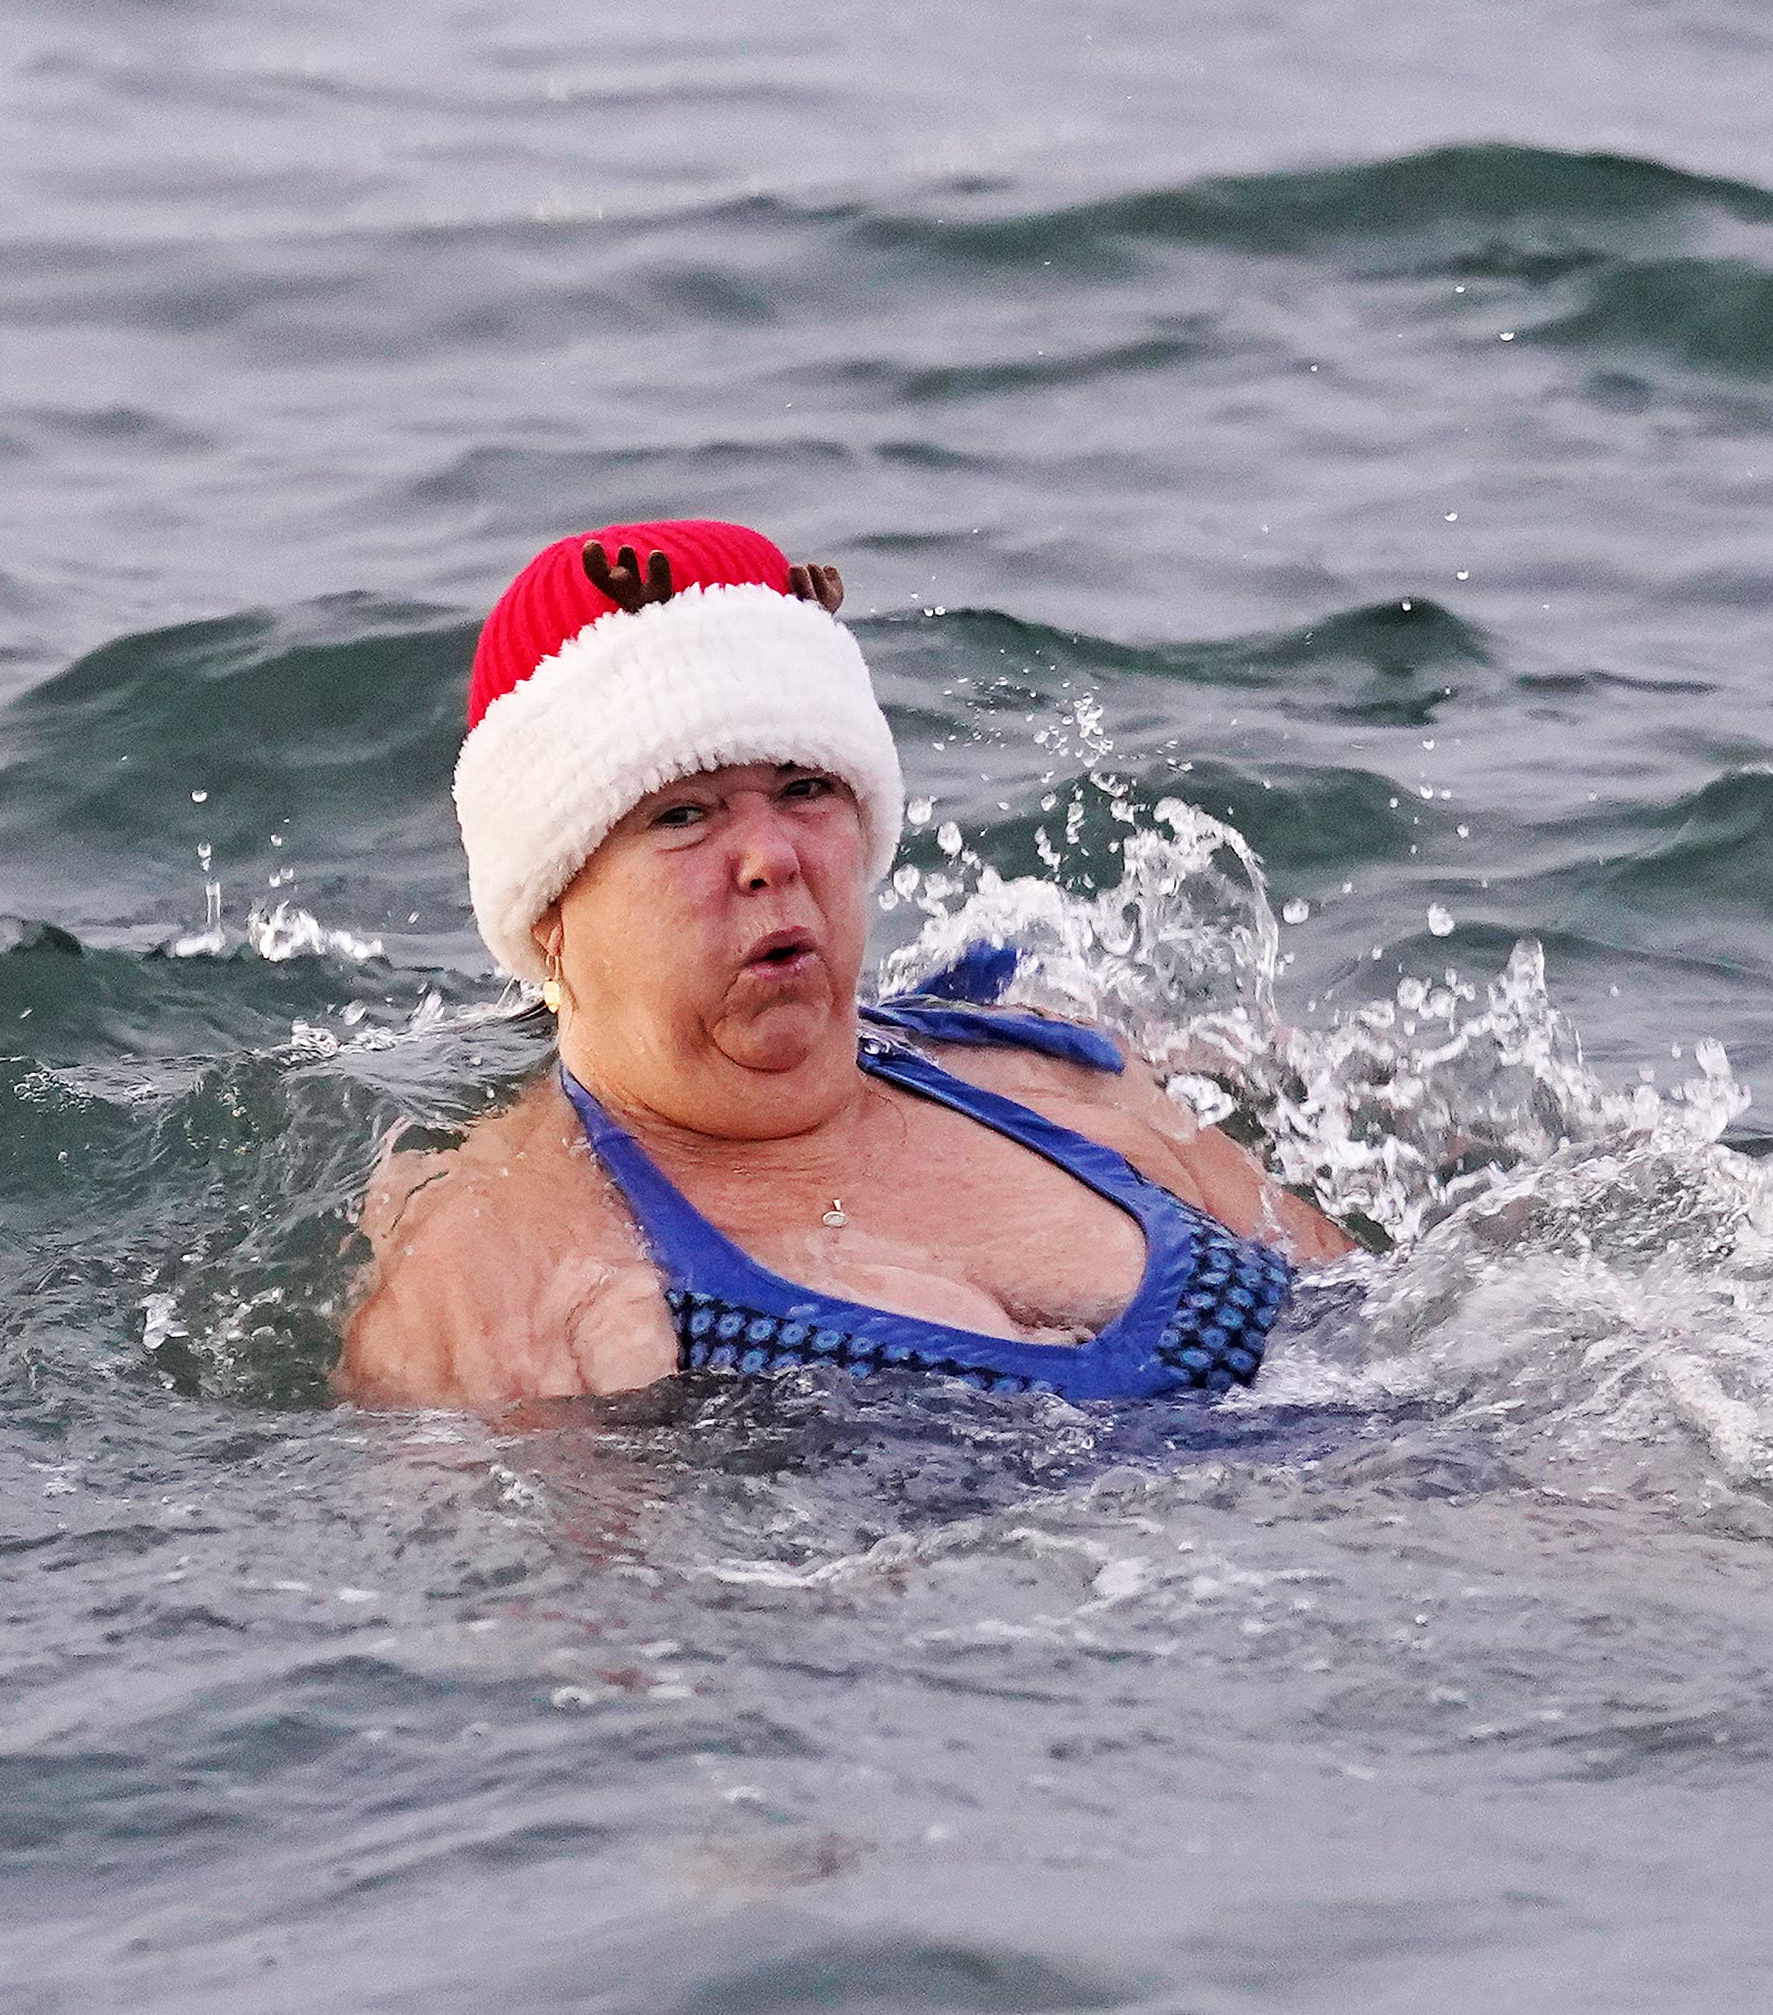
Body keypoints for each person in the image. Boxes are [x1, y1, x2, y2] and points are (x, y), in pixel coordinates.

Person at [338, 520, 1356, 1414]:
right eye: (682, 813)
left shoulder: (1053, 1081)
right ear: (549, 910)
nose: (770, 854)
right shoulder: (505, 1275)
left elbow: (1403, 1317)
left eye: (805, 787)